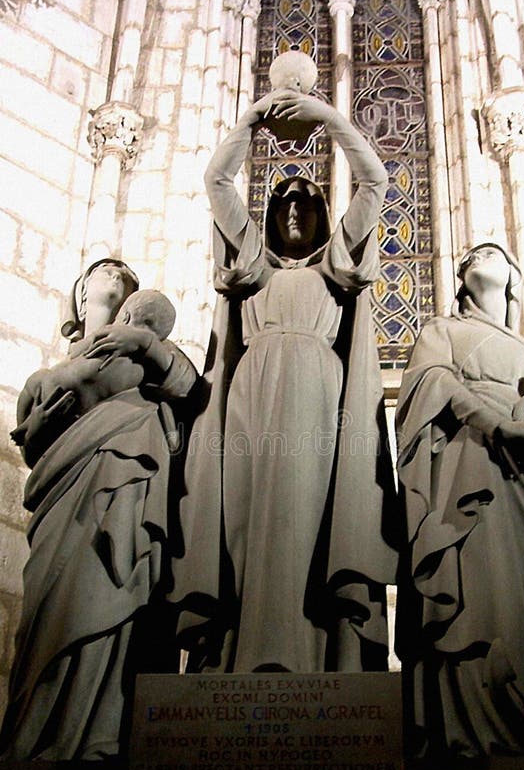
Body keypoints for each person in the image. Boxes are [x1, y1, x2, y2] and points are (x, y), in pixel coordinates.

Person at [170, 90, 399, 674]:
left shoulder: (335, 265)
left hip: (319, 400)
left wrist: (326, 118)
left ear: (323, 216)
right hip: (250, 398)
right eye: (282, 202)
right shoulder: (253, 263)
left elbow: (374, 182)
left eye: (306, 201)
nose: (294, 211)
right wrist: (252, 121)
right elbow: (218, 181)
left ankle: (311, 655)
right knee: (245, 521)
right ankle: (241, 651)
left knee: (312, 519)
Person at [0, 259, 197, 761]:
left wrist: (146, 346)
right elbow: (31, 441)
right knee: (49, 610)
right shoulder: (55, 370)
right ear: (79, 295)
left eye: (119, 274)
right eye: (97, 272)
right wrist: (40, 417)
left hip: (125, 492)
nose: (109, 277)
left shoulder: (149, 352)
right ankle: (35, 737)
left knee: (116, 595)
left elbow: (189, 390)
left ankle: (104, 732)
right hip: (63, 499)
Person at [394, 242, 524, 758]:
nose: (478, 255)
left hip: (522, 484)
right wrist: (496, 422)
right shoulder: (443, 330)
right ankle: (462, 732)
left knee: (519, 600)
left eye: (493, 252)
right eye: (472, 256)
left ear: (513, 277)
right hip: (469, 467)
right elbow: (430, 384)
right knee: (472, 596)